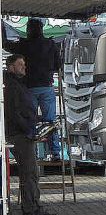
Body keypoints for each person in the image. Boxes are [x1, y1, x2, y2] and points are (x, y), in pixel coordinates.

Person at [6, 19, 63, 160]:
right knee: (50, 122)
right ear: (42, 29)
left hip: (29, 87)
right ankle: (55, 152)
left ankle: (33, 152)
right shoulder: (51, 44)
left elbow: (7, 45)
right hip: (47, 86)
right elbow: (58, 64)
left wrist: (2, 25)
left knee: (30, 119)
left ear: (29, 30)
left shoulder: (24, 45)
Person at [4, 54, 52, 215]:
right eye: (20, 64)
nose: (24, 67)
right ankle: (31, 208)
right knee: (30, 172)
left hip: (23, 132)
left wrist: (37, 121)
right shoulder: (11, 86)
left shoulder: (17, 84)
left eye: (24, 64)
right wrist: (29, 129)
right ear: (11, 67)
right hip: (20, 134)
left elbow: (22, 111)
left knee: (30, 172)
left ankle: (32, 205)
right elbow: (14, 112)